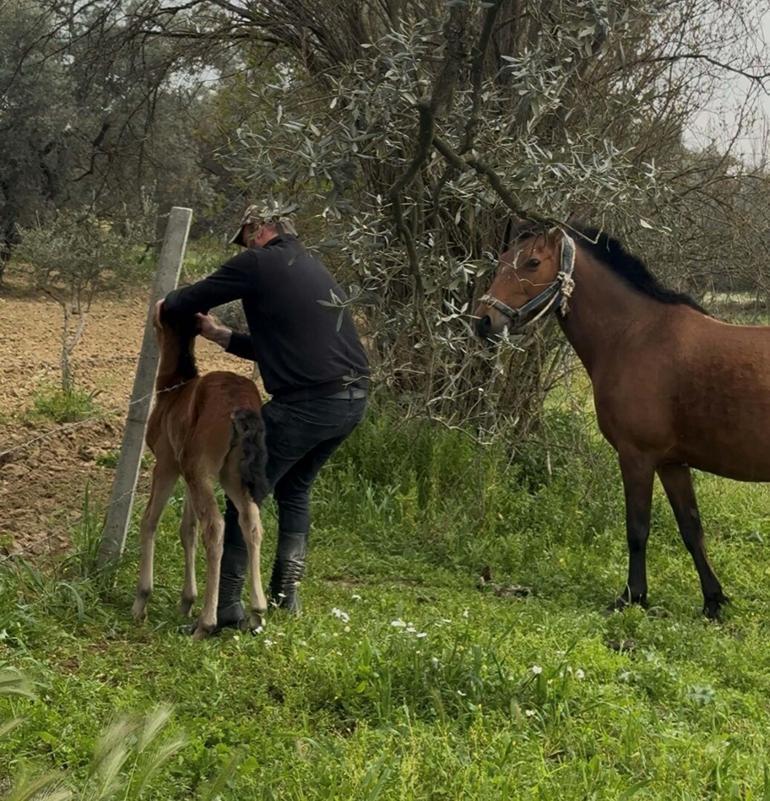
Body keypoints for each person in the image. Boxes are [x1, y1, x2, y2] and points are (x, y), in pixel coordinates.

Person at [159, 201, 369, 627]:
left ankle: (230, 608)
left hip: (307, 404)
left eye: (245, 236)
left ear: (258, 228)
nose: (245, 244)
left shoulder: (258, 262)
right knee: (295, 490)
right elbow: (286, 345)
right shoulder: (308, 265)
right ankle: (285, 595)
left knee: (245, 490)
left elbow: (195, 297)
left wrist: (167, 305)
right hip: (351, 399)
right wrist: (223, 337)